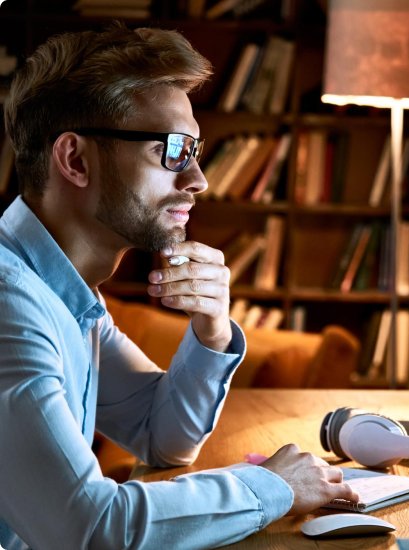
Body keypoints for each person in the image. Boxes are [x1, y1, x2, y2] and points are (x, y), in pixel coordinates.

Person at [0, 22, 358, 550]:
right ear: (75, 160)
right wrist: (272, 487)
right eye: (171, 149)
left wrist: (212, 331)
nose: (198, 179)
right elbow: (88, 529)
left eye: (194, 149)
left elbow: (162, 437)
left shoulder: (69, 295)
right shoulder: (10, 305)